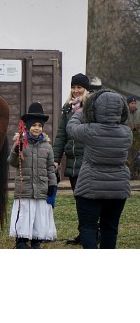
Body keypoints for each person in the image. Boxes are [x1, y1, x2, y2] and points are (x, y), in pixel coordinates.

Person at [66, 90, 132, 249]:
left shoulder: (89, 130)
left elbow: (71, 127)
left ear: (95, 108)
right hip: (118, 188)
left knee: (88, 227)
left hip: (90, 187)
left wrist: (82, 111)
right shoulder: (126, 133)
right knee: (110, 227)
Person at [8, 102, 57, 249]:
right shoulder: (21, 143)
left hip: (41, 187)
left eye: (39, 126)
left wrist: (52, 186)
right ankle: (21, 240)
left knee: (38, 215)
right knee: (24, 214)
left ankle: (36, 239)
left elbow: (50, 167)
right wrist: (17, 150)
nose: (37, 128)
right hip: (25, 187)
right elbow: (12, 162)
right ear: (28, 127)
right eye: (34, 125)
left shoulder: (47, 146)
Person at [52, 72, 90, 245]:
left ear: (86, 89)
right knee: (79, 199)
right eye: (73, 87)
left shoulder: (91, 108)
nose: (76, 91)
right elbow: (61, 135)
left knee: (89, 199)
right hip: (72, 160)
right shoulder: (67, 108)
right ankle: (84, 233)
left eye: (79, 87)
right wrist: (56, 158)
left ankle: (91, 233)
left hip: (89, 159)